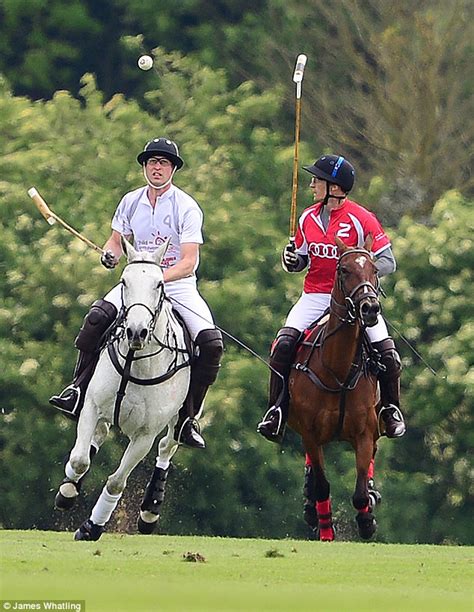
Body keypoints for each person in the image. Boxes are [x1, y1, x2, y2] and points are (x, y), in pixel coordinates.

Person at [50, 137, 224, 449]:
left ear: (172, 169)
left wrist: (156, 277)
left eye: (164, 163)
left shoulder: (186, 207)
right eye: (152, 162)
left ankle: (187, 418)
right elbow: (116, 242)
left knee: (211, 344)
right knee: (96, 317)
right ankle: (77, 389)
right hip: (135, 285)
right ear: (144, 167)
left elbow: (188, 262)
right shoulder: (131, 201)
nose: (157, 168)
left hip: (177, 285)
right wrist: (110, 254)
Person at [257, 154, 406, 443]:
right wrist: (292, 260)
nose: (312, 185)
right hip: (314, 295)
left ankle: (390, 410)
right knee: (283, 345)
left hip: (354, 300)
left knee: (388, 354)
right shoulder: (307, 217)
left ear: (334, 187)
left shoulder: (362, 219)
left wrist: (363, 268)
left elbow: (388, 262)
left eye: (318, 180)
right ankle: (276, 410)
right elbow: (301, 258)